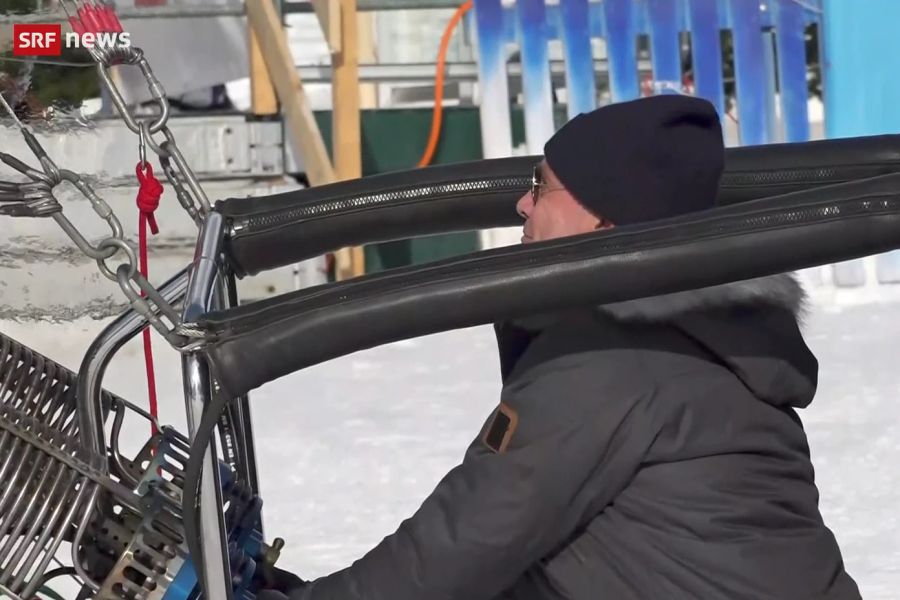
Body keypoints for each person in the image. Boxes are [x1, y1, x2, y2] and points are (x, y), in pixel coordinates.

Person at [258, 95, 860, 599]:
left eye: (541, 188)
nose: (522, 203)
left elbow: (463, 543)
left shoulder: (611, 363)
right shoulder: (687, 332)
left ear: (603, 220)